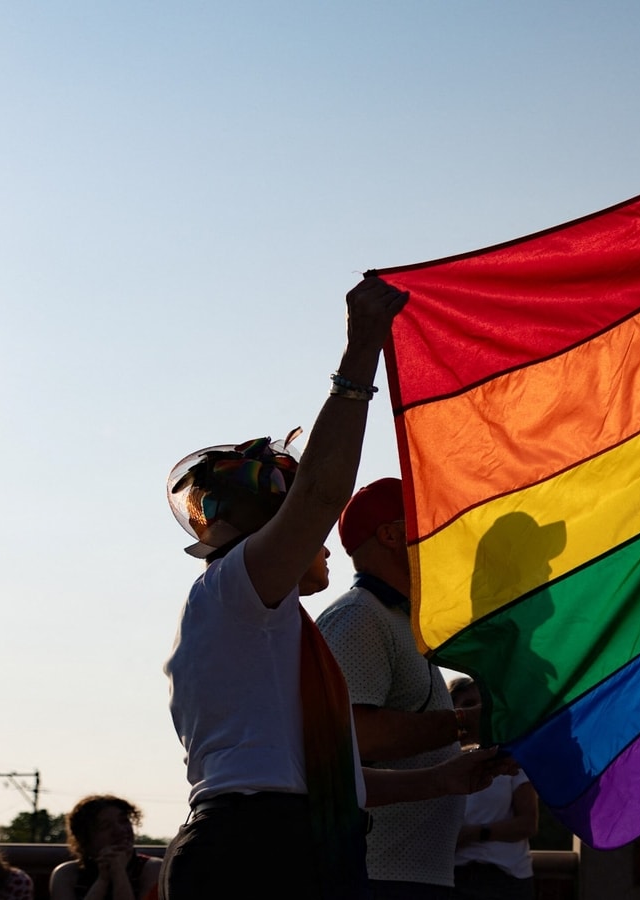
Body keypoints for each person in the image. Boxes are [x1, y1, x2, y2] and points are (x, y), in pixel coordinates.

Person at [160, 275, 517, 900]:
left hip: (287, 841)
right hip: (261, 851)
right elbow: (322, 495)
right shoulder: (237, 586)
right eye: (304, 531)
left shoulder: (256, 624)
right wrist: (360, 357)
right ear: (270, 533)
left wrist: (447, 779)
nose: (321, 543)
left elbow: (325, 777)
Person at [316, 477, 485, 899]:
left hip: (407, 876)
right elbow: (355, 737)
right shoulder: (359, 617)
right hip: (377, 875)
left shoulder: (394, 619)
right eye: (425, 518)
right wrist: (465, 725)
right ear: (390, 535)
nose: (439, 529)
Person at [448, 676, 537, 900]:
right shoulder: (441, 763)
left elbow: (528, 823)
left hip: (506, 878)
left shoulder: (510, 760)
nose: (478, 710)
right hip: (451, 879)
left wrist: (475, 833)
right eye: (468, 704)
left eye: (482, 703)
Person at [49, 795, 160, 900]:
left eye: (124, 821)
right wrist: (103, 880)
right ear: (85, 837)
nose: (120, 830)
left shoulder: (153, 869)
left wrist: (119, 873)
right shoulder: (66, 874)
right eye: (106, 826)